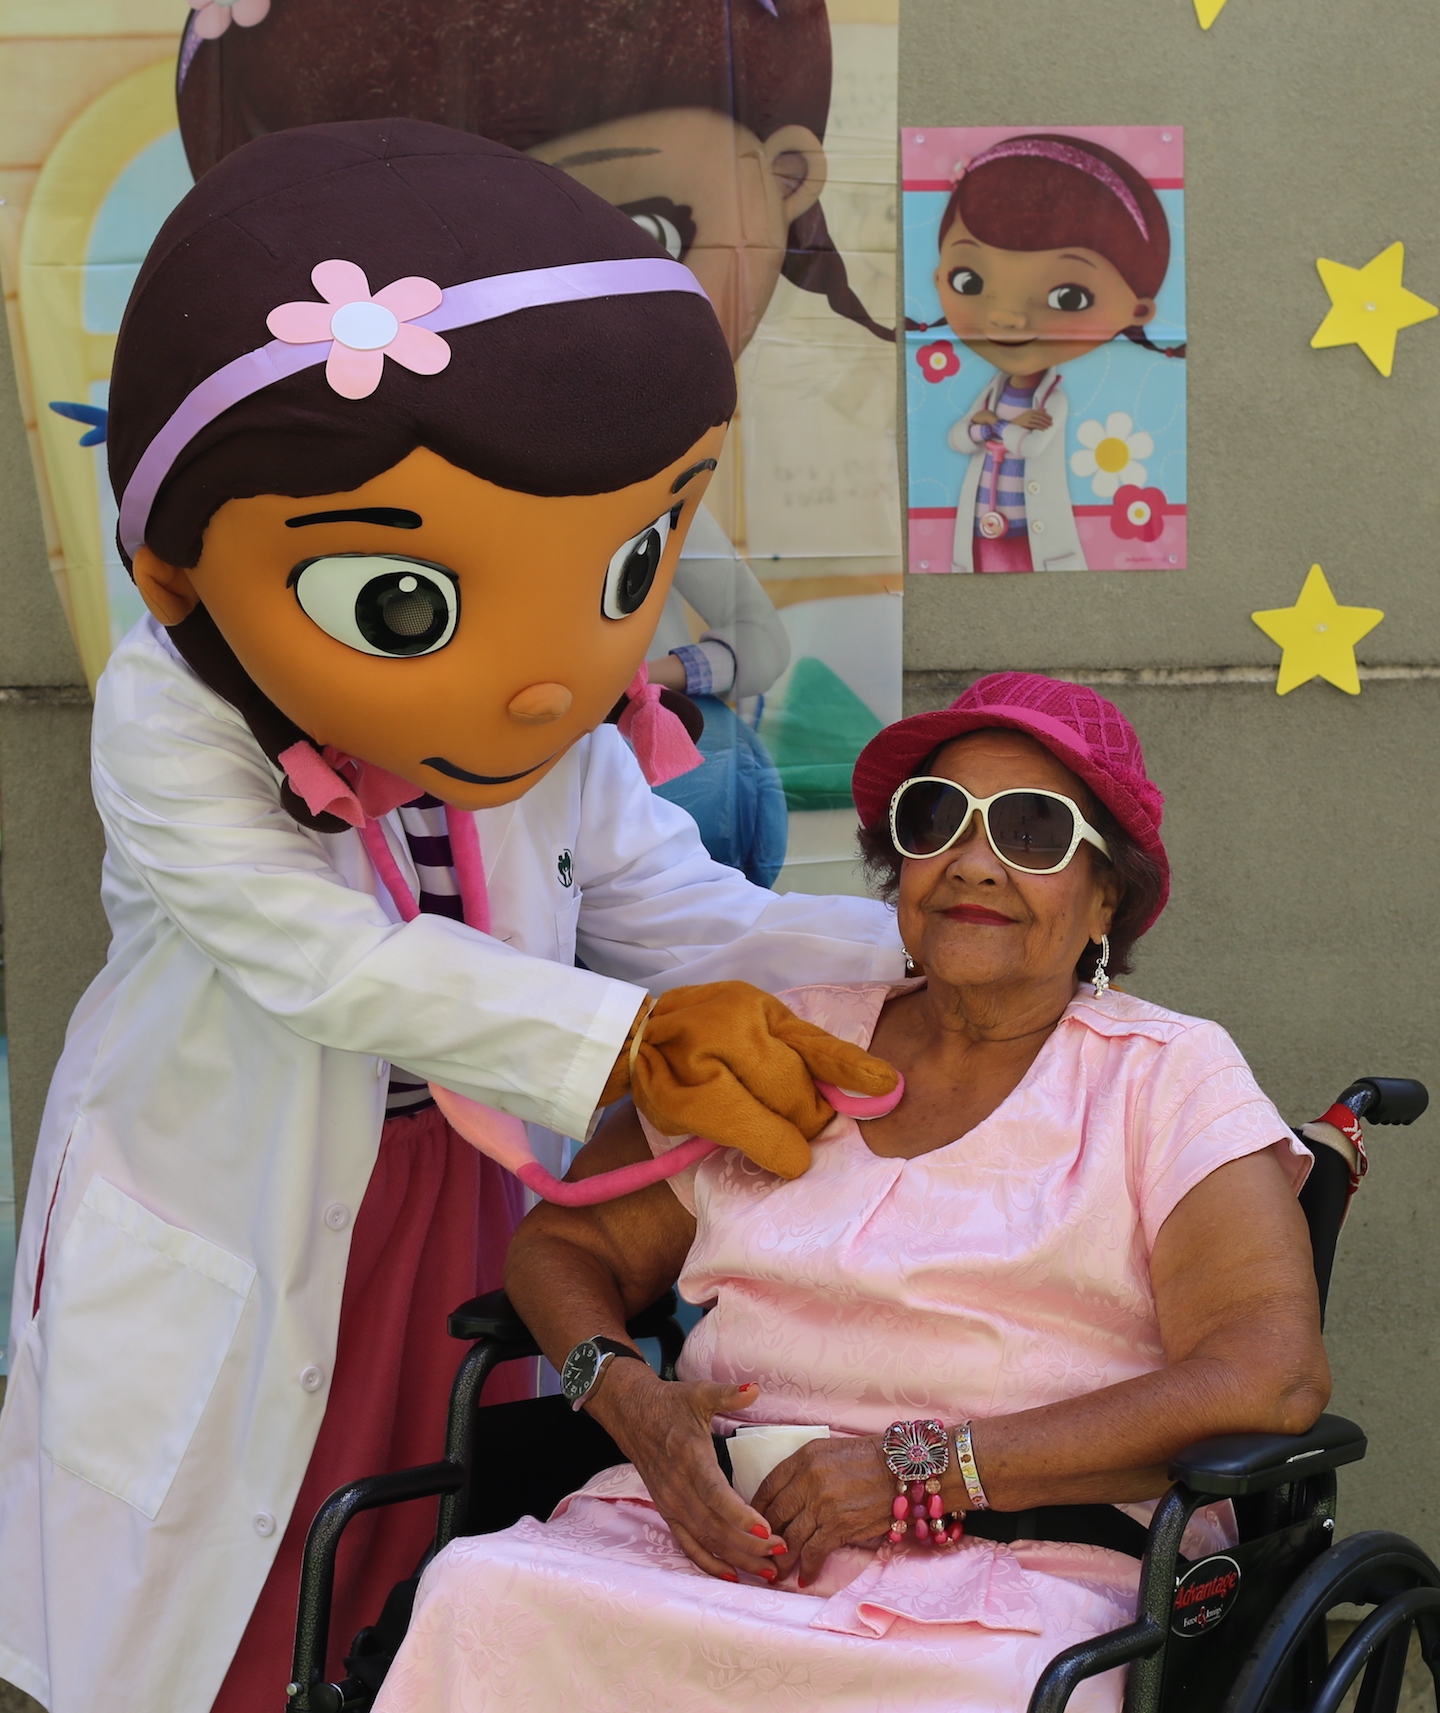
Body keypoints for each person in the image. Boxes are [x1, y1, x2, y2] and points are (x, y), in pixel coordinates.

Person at [0, 120, 906, 1713]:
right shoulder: (172, 713)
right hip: (244, 1188)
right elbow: (326, 959)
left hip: (470, 1193)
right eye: (406, 602)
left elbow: (662, 897)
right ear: (172, 571)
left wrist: (927, 966)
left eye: (620, 569)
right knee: (240, 1568)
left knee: (440, 1539)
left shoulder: (539, 725)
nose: (555, 670)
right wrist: (627, 1035)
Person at [373, 672, 1328, 1713]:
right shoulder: (796, 1038)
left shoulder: (1165, 1074)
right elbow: (569, 1246)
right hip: (705, 1533)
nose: (974, 860)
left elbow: (1265, 1376)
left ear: (1108, 893)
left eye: (1033, 830)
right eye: (937, 820)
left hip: (1019, 1567)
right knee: (481, 1591)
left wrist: (929, 1468)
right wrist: (628, 1398)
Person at [173, 0, 898, 881]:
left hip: (644, 775)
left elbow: (678, 913)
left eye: (646, 234)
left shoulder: (638, 489)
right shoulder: (190, 706)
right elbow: (340, 968)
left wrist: (646, 673)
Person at [932, 135, 1184, 573]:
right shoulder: (991, 394)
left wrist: (991, 426)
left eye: (1069, 297)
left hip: (1031, 535)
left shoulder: (1054, 400)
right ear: (938, 278)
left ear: (1136, 311)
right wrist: (990, 424)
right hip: (979, 528)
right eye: (968, 281)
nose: (1007, 317)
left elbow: (1030, 445)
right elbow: (958, 439)